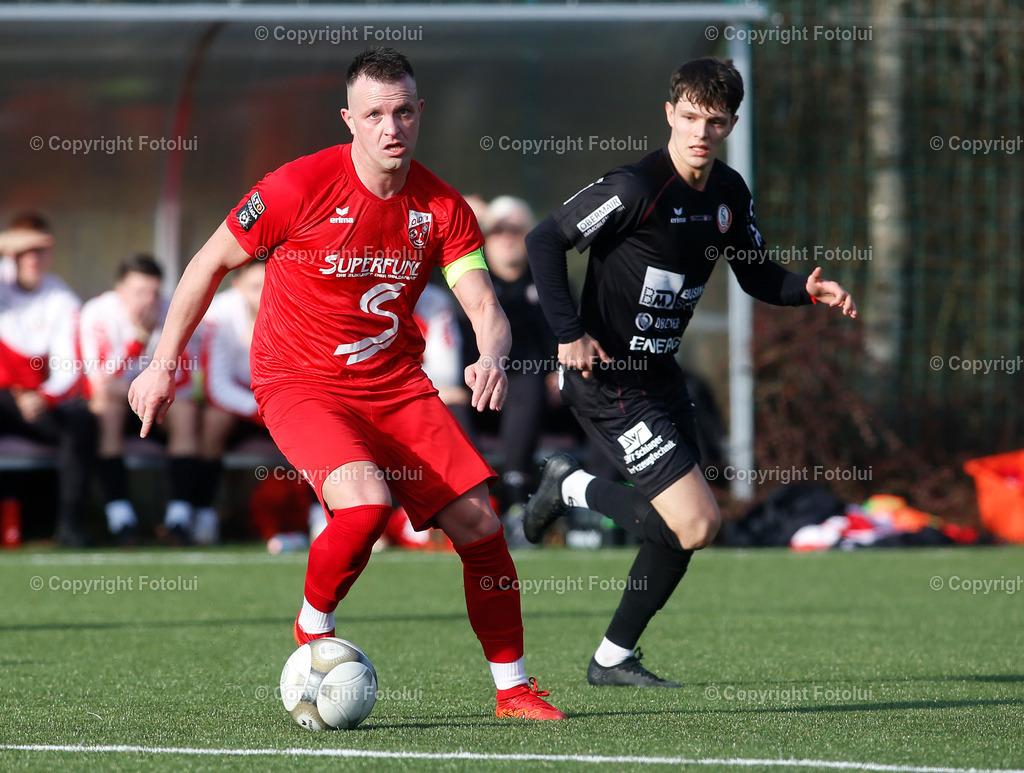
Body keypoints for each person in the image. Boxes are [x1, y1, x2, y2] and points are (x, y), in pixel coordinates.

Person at [128, 47, 565, 720]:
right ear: (349, 121)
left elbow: (484, 303)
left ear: (419, 114)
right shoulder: (295, 187)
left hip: (395, 384)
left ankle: (513, 689)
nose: (390, 127)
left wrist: (492, 352)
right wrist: (162, 364)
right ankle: (313, 625)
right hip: (300, 381)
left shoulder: (444, 208)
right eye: (374, 115)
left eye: (402, 112)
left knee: (480, 524)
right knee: (364, 506)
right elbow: (210, 260)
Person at [524, 58, 857, 687]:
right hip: (607, 378)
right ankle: (570, 489)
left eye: (715, 121)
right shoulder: (633, 188)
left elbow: (756, 274)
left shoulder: (728, 194)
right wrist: (569, 334)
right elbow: (544, 241)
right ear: (669, 113)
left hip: (660, 377)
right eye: (689, 117)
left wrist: (804, 289)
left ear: (730, 124)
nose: (700, 132)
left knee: (691, 526)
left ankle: (612, 658)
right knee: (697, 521)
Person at [80, 254, 201, 545]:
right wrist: (138, 340)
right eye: (139, 293)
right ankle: (120, 518)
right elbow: (98, 384)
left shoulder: (172, 311)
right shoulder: (97, 313)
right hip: (120, 406)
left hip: (161, 406)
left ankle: (179, 518)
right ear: (120, 290)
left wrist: (146, 392)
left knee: (186, 411)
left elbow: (187, 382)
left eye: (154, 293)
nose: (148, 301)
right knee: (106, 410)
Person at [0, 213, 95, 546]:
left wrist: (43, 397)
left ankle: (69, 526)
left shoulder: (61, 299)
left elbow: (69, 367)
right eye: (25, 250)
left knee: (81, 421)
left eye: (41, 250)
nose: (33, 258)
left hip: (35, 402)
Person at [476, 196, 558, 520]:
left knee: (528, 381)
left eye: (516, 228)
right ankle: (470, 496)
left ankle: (601, 507)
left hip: (543, 399)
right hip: (476, 395)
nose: (507, 235)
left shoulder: (550, 282)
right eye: (498, 228)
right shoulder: (471, 284)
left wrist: (560, 372)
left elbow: (569, 337)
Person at [194, 258, 267, 545]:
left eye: (270, 286)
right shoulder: (220, 314)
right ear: (237, 286)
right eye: (255, 286)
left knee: (318, 419)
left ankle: (321, 515)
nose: (263, 294)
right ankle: (204, 513)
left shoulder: (297, 308)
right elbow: (216, 386)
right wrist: (261, 411)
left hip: (282, 404)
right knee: (213, 420)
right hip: (247, 409)